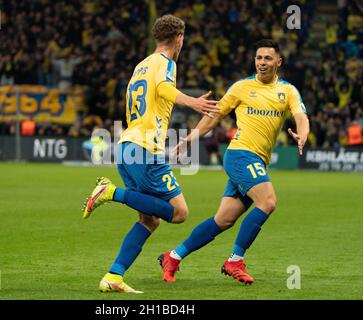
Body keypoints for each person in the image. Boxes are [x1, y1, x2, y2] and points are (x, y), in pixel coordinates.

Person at [81, 14, 219, 293]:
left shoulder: (141, 65)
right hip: (145, 149)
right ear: (178, 38)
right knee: (179, 212)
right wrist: (192, 101)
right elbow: (164, 89)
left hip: (126, 146)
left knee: (149, 219)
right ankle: (110, 193)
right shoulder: (166, 63)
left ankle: (113, 276)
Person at [159, 39, 310, 285]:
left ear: (278, 62)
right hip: (240, 155)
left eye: (268, 58)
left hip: (258, 161)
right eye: (258, 58)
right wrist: (191, 137)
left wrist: (303, 133)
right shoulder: (241, 87)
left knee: (224, 219)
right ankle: (234, 261)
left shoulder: (288, 91)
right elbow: (215, 115)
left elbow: (300, 116)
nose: (262, 63)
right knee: (268, 201)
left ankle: (173, 257)